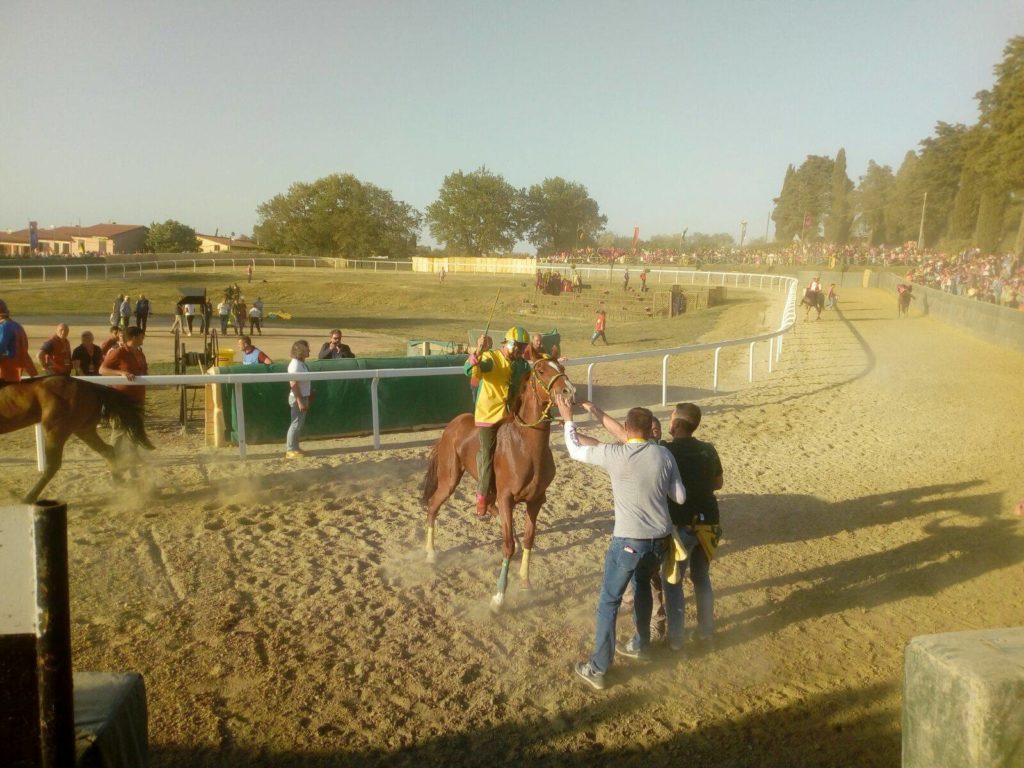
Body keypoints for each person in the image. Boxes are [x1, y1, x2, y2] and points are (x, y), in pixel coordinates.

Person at [555, 397, 685, 691]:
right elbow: (680, 497)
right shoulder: (664, 454)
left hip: (629, 541)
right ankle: (640, 644)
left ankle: (598, 667)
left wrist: (568, 418)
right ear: (651, 429)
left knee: (609, 601)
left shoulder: (615, 454)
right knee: (642, 586)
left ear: (626, 428)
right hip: (660, 541)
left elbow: (574, 450)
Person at [661, 403, 723, 652]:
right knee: (701, 578)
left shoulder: (666, 450)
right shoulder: (709, 449)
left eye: (671, 419)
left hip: (681, 526)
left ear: (676, 425)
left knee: (673, 582)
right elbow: (718, 483)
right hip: (709, 524)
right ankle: (706, 633)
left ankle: (676, 640)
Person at [463, 326, 530, 516]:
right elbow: (470, 369)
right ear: (509, 344)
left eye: (523, 347)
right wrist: (478, 350)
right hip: (489, 416)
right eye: (519, 346)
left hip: (510, 416)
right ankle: (482, 494)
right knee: (487, 453)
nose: (521, 350)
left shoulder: (522, 365)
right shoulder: (491, 359)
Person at [99, 325, 148, 465]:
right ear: (134, 337)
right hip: (121, 399)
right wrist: (120, 373)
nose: (143, 339)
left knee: (136, 430)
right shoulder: (118, 352)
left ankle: (131, 458)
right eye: (142, 336)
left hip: (138, 398)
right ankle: (113, 459)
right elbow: (102, 369)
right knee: (119, 430)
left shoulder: (140, 353)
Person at [0, 299, 39, 382]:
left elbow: (1, 348)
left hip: (6, 370)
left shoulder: (3, 327)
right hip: (19, 368)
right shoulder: (18, 326)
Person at [285, 340, 312, 458]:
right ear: (301, 351)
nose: (309, 350)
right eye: (306, 349)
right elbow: (293, 384)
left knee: (299, 424)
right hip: (298, 398)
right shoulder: (295, 365)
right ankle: (290, 449)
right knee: (295, 424)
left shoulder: (301, 363)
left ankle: (295, 447)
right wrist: (300, 401)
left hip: (303, 396)